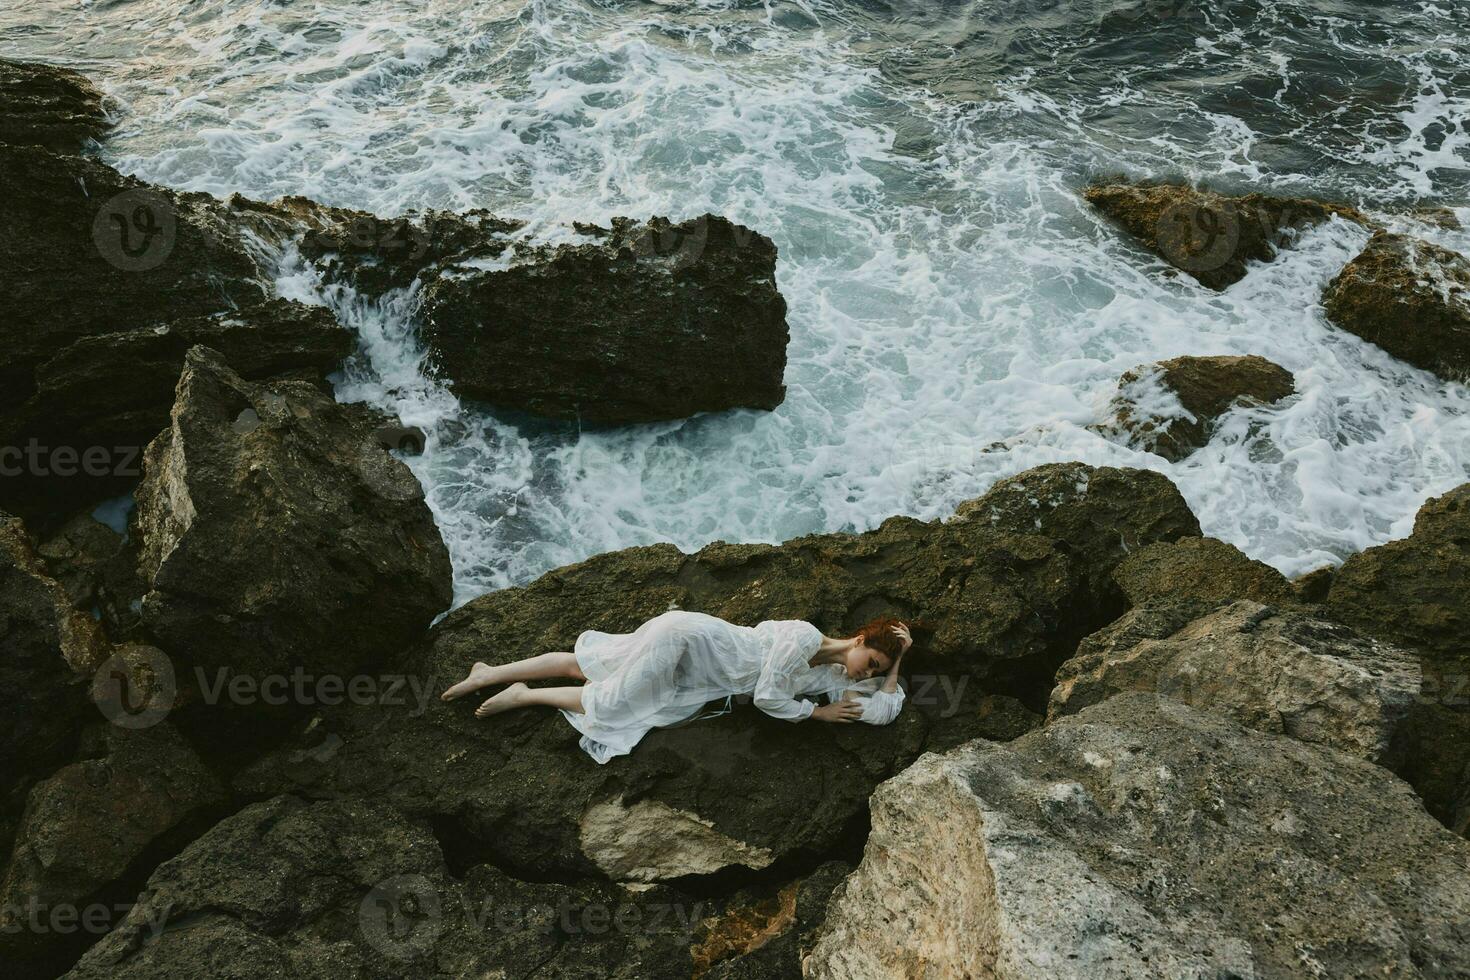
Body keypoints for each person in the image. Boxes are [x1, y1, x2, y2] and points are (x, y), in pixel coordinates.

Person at [440, 610, 917, 764]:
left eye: (873, 672)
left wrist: (897, 662)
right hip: (687, 638)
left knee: (590, 665)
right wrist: (817, 714)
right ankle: (522, 693)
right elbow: (770, 698)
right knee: (612, 704)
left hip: (696, 669)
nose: (865, 673)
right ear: (858, 639)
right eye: (870, 660)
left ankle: (491, 672)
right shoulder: (803, 637)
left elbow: (885, 708)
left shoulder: (828, 675)